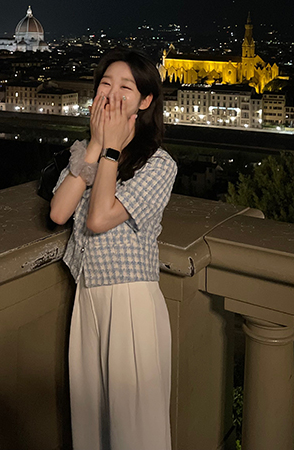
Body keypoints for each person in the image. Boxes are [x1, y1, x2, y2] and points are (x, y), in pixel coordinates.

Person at [50, 47, 177, 450]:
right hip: (87, 298)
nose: (112, 93)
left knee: (134, 430)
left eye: (126, 87)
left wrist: (110, 150)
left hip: (130, 302)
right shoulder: (85, 152)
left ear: (145, 101)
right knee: (91, 427)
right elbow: (59, 211)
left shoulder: (159, 165)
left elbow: (99, 218)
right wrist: (94, 145)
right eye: (105, 84)